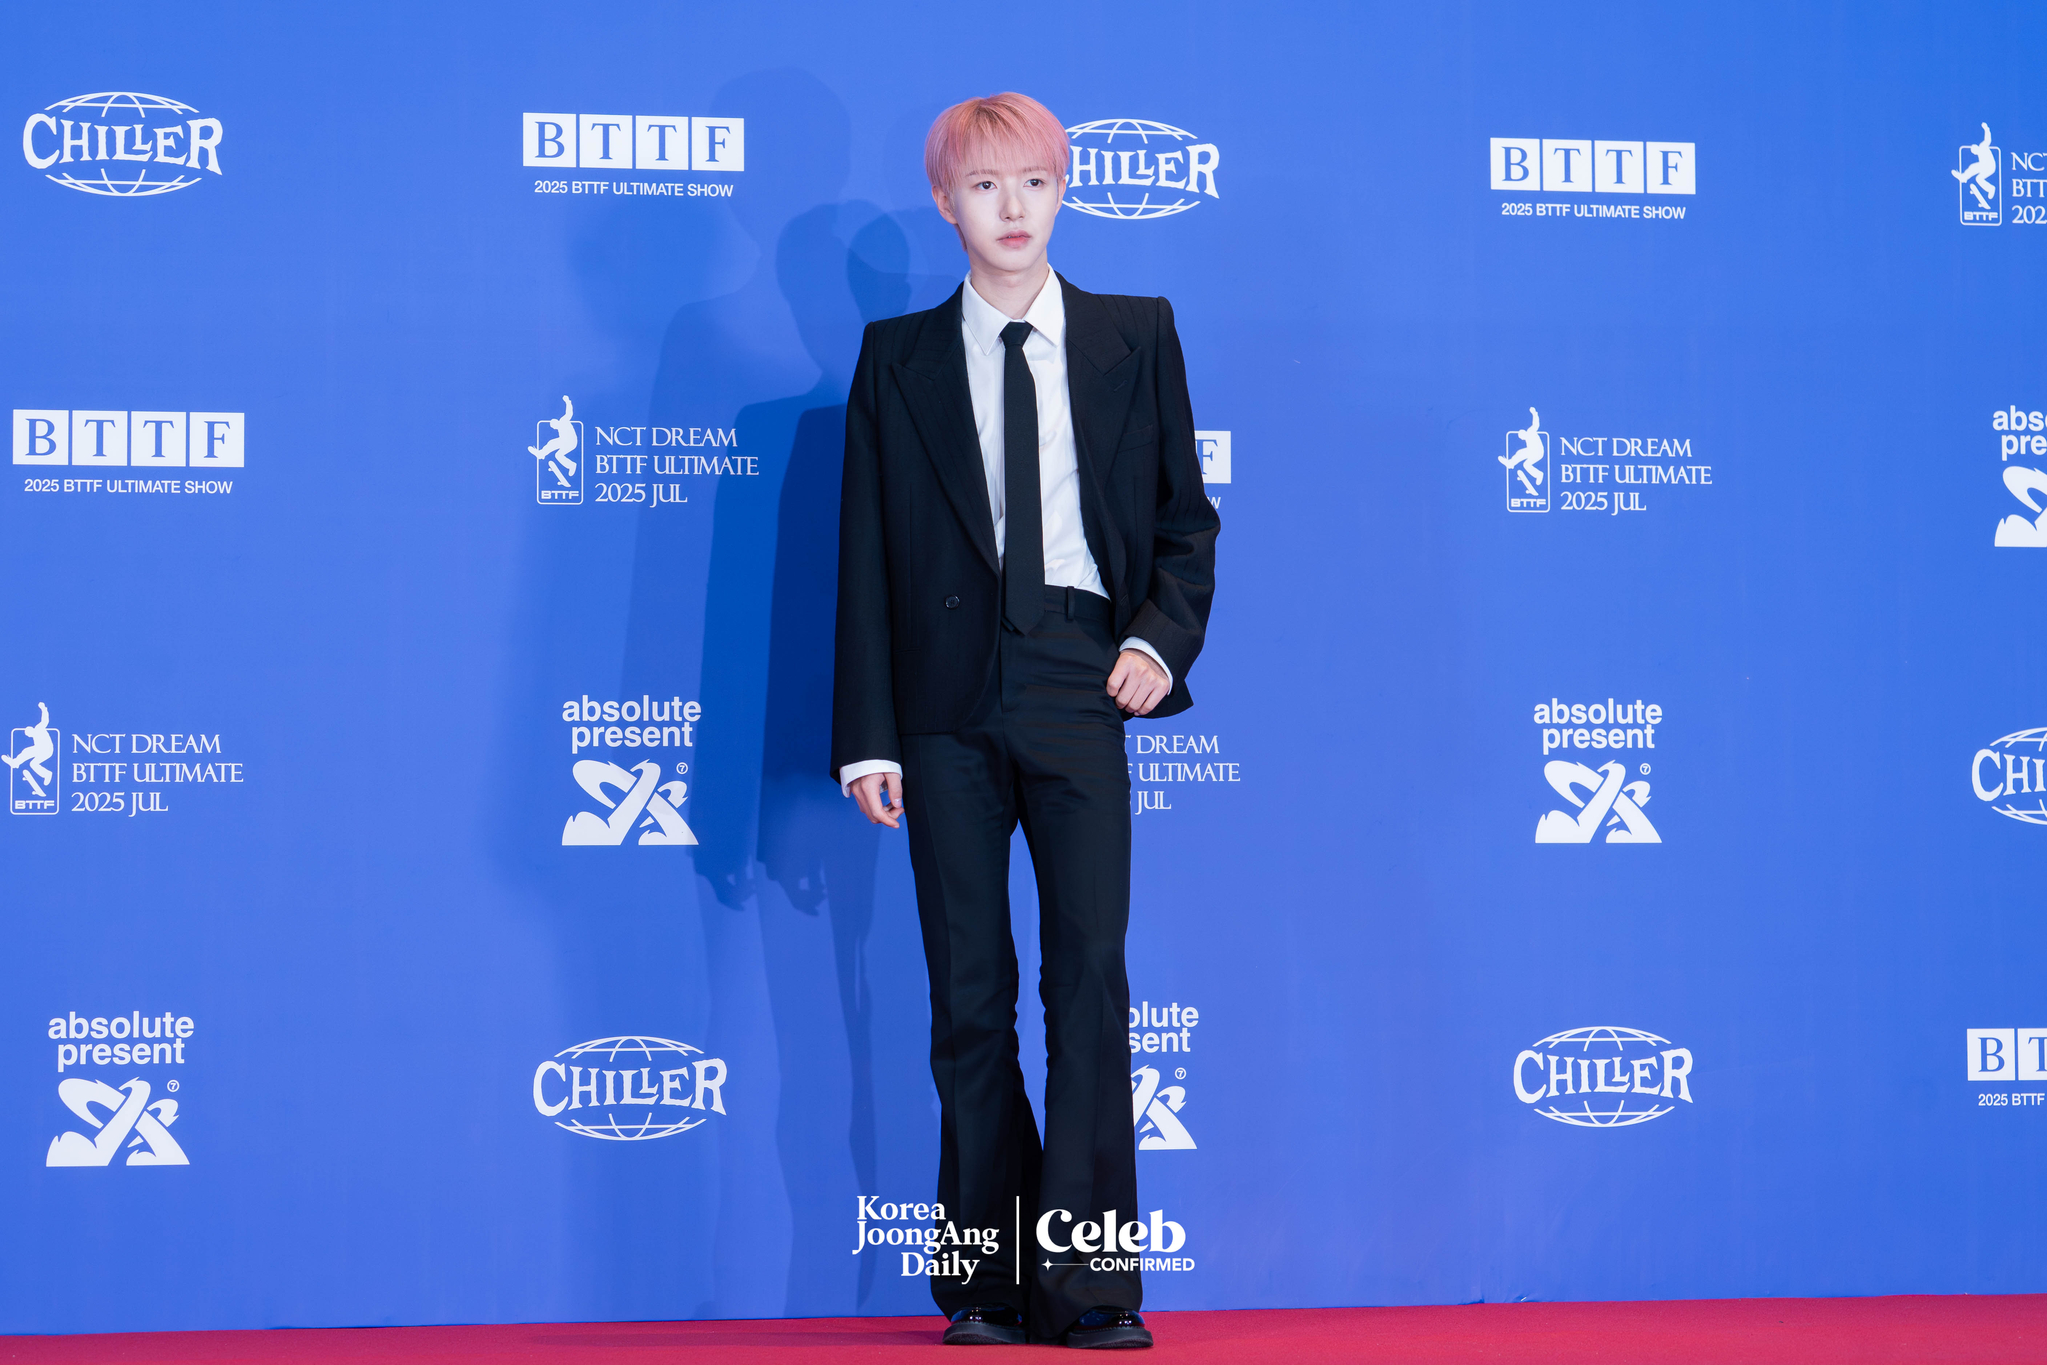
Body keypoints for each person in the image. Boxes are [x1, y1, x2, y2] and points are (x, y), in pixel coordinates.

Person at [832, 92, 1218, 1348]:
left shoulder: (1133, 335)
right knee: (967, 995)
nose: (1012, 209)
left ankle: (1089, 1284)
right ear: (945, 203)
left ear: (1063, 194)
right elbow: (865, 562)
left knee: (1090, 982)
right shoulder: (896, 359)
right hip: (940, 707)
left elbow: (1184, 522)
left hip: (1076, 676)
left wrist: (1157, 640)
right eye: (985, 187)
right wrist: (869, 733)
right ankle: (988, 1284)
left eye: (1034, 184)